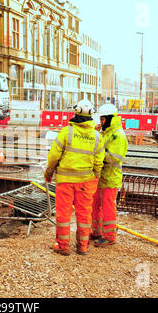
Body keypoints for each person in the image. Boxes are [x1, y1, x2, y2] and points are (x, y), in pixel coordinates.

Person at [44, 99, 104, 256]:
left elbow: (53, 156)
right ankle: (83, 246)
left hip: (65, 181)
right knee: (84, 214)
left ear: (75, 113)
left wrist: (49, 173)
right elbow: (99, 162)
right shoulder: (97, 137)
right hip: (86, 182)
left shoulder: (66, 132)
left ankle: (63, 246)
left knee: (63, 214)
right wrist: (95, 177)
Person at [91, 103, 128, 247]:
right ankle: (96, 231)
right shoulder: (106, 133)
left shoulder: (118, 135)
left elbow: (114, 157)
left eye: (103, 119)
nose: (101, 122)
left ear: (109, 119)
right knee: (95, 206)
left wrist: (97, 156)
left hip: (110, 177)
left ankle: (109, 236)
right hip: (100, 177)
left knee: (107, 208)